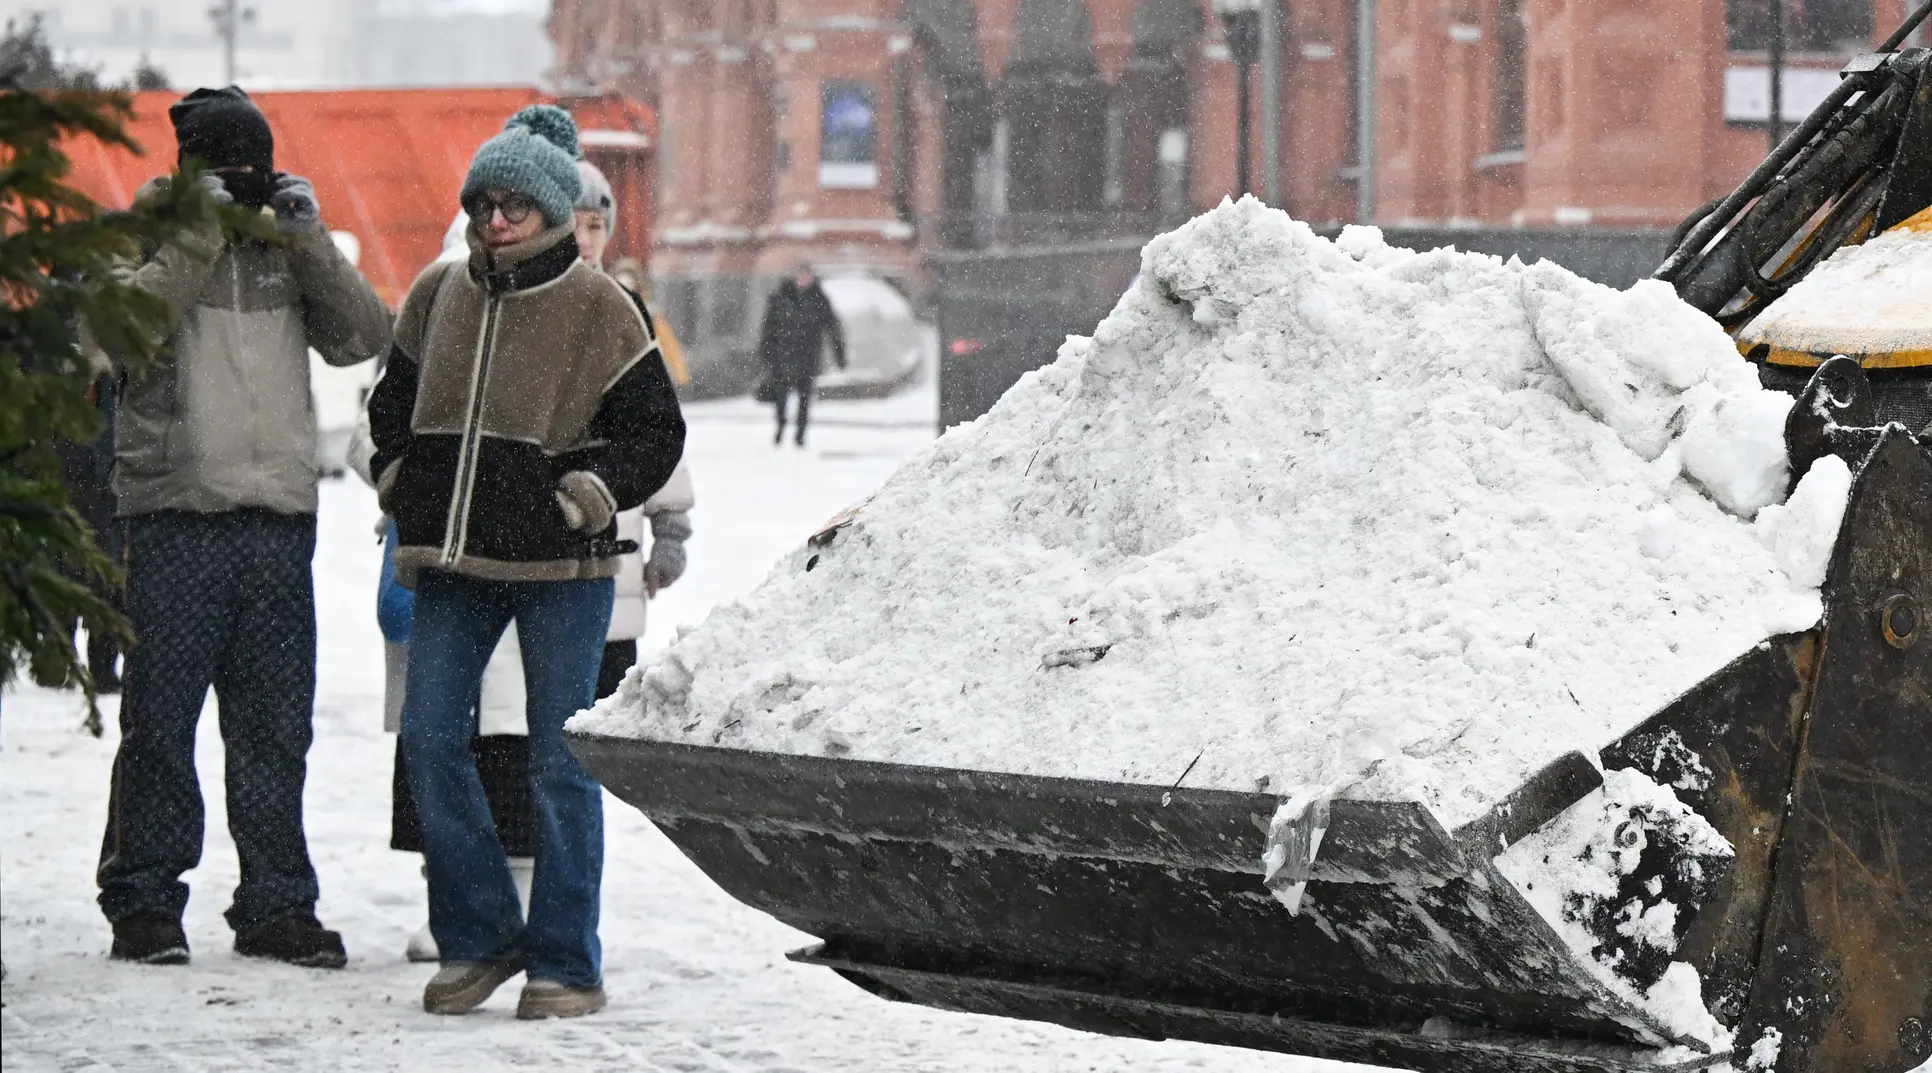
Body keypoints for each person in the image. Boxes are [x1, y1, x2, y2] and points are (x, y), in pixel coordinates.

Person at [365, 105, 685, 1019]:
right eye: (484, 202)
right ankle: (480, 936)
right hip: (455, 561)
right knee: (430, 739)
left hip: (564, 572)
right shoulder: (437, 292)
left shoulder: (599, 304)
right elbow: (391, 406)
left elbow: (654, 433)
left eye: (515, 203)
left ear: (550, 207)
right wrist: (399, 480)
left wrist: (586, 493)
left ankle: (566, 962)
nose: (496, 217)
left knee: (558, 762)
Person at [96, 86, 392, 968]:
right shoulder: (137, 235)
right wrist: (194, 235)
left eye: (255, 166)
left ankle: (275, 903)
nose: (245, 183)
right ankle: (144, 898)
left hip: (276, 520)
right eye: (227, 169)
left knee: (274, 726)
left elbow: (362, 337)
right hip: (175, 515)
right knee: (162, 722)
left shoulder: (284, 244)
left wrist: (307, 241)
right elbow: (120, 335)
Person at [570, 160, 698, 696]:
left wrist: (670, 528)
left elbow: (657, 430)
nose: (585, 239)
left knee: (598, 706)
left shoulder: (627, 314)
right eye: (575, 224)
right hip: (543, 553)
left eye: (597, 226)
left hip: (617, 555)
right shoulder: (532, 311)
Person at [755, 263, 846, 447]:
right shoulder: (779, 297)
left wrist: (839, 354)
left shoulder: (819, 299)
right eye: (800, 275)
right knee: (781, 397)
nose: (803, 279)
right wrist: (765, 353)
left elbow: (833, 327)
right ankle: (780, 427)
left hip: (808, 358)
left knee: (805, 399)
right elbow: (768, 328)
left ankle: (800, 434)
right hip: (782, 357)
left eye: (807, 275)